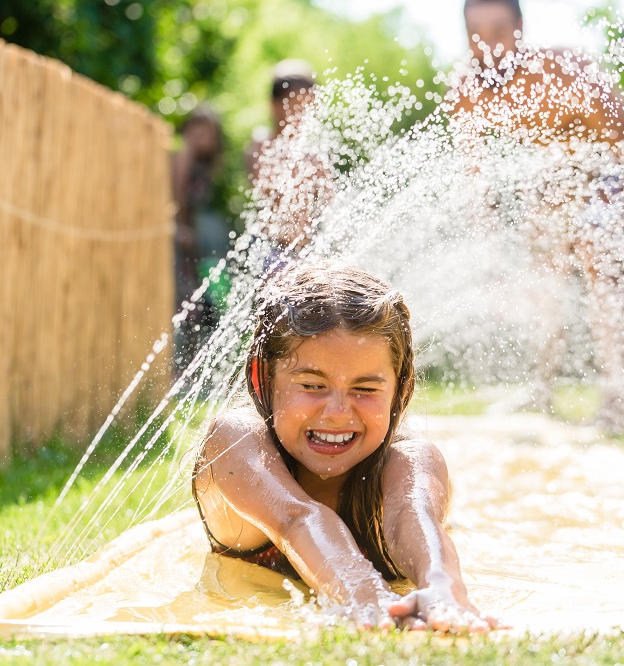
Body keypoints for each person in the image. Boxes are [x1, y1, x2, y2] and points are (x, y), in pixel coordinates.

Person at [191, 263, 494, 632]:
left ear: (399, 388)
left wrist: (443, 591)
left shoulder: (409, 458)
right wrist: (368, 595)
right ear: (262, 376)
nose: (337, 413)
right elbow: (297, 518)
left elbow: (411, 515)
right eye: (312, 385)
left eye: (365, 390)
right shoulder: (235, 442)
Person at [455, 0, 624, 428]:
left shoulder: (562, 73)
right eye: (474, 34)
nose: (487, 46)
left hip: (609, 162)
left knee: (598, 269)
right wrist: (490, 254)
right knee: (544, 278)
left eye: (497, 31)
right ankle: (541, 389)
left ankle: (615, 398)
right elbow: (476, 182)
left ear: (520, 28)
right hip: (553, 169)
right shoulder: (468, 91)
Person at [246, 61, 333, 266]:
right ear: (274, 106)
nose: (301, 115)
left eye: (307, 107)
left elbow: (329, 202)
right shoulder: (262, 144)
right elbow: (266, 185)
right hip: (270, 247)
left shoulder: (313, 154)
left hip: (305, 250)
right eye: (294, 106)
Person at [171, 105, 230, 364]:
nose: (204, 137)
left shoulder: (200, 162)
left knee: (193, 299)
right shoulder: (183, 152)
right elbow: (177, 195)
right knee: (185, 297)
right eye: (200, 130)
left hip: (191, 238)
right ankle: (180, 363)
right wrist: (181, 227)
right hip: (180, 236)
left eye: (209, 132)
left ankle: (188, 362)